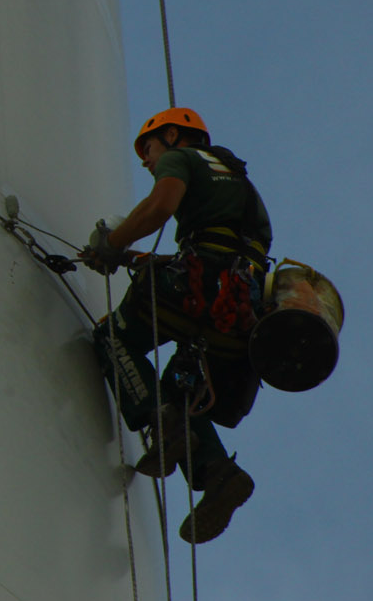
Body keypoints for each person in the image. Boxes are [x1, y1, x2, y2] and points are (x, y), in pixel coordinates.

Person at [82, 107, 270, 543]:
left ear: (170, 135)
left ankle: (159, 423)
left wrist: (112, 244)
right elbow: (226, 245)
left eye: (147, 149)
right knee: (180, 389)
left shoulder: (181, 159)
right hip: (243, 307)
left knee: (113, 335)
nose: (146, 161)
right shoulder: (241, 182)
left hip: (202, 282)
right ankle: (218, 473)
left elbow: (160, 206)